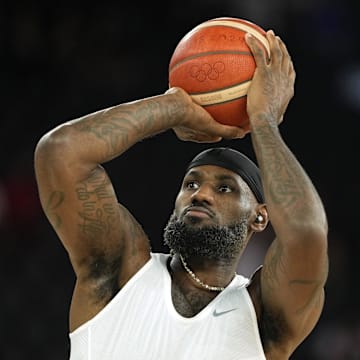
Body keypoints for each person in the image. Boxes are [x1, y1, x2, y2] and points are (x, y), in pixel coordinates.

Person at [34, 29, 328, 360]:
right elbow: (60, 153)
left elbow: (306, 233)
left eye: (224, 188)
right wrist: (175, 106)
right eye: (190, 183)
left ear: (259, 216)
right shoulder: (120, 273)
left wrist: (263, 120)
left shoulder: (262, 316)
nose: (201, 194)